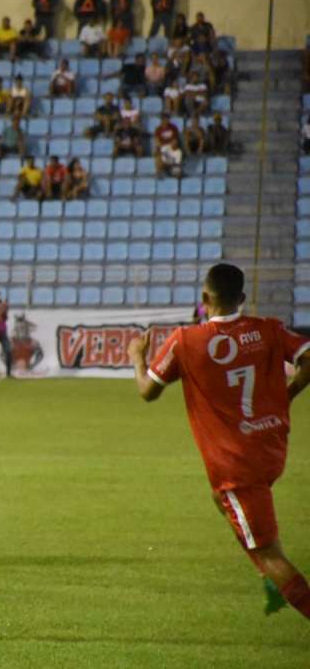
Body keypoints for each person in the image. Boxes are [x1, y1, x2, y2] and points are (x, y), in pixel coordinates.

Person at [126, 263, 310, 622]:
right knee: (219, 499)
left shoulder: (185, 341)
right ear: (241, 298)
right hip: (271, 448)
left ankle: (273, 578)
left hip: (236, 464)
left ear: (204, 298)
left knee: (272, 554)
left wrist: (137, 357)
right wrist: (286, 396)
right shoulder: (267, 329)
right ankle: (266, 571)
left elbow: (147, 392)